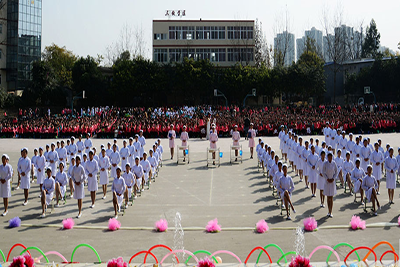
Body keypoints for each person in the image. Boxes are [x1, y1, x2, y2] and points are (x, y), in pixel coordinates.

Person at [322, 152, 338, 218]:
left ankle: (331, 211)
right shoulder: (325, 164)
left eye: (331, 157)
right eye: (329, 157)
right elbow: (323, 172)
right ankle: (328, 210)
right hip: (327, 182)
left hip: (332, 181)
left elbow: (336, 172)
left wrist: (333, 178)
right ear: (327, 157)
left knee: (331, 197)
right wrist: (327, 178)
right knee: (328, 197)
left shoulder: (334, 163)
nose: (330, 158)